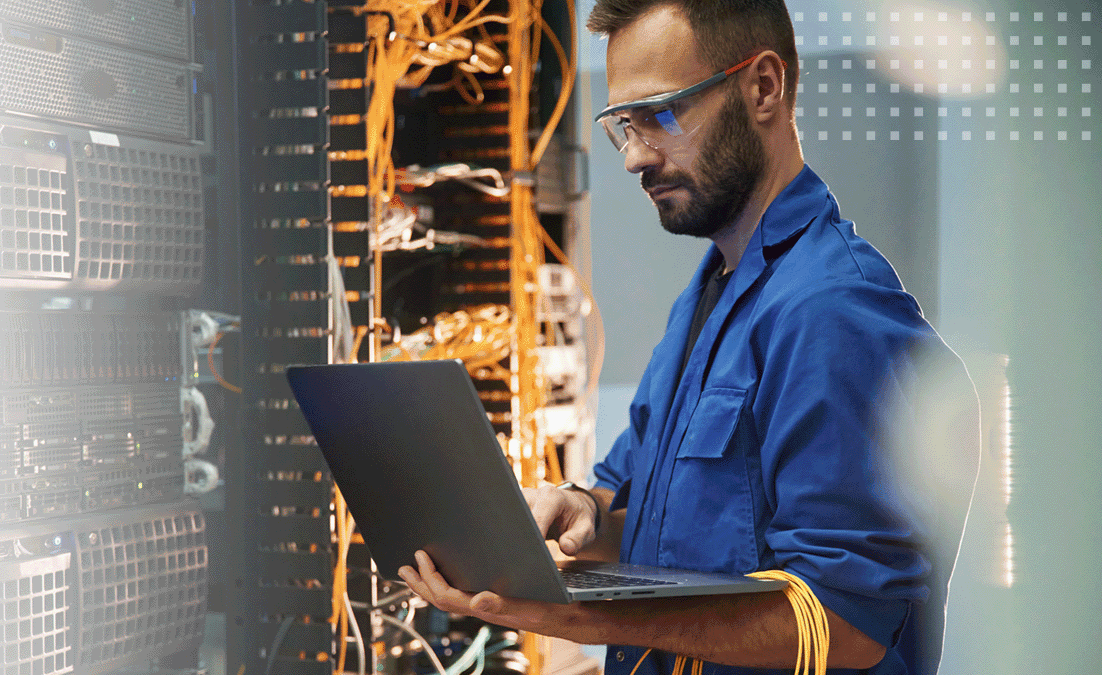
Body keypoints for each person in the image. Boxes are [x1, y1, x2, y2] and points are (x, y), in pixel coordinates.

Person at [400, 1, 979, 673]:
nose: (635, 156)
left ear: (763, 87)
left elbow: (844, 622)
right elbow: (649, 519)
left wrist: (559, 614)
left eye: (663, 114)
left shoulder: (830, 312)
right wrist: (580, 510)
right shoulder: (708, 298)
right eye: (623, 125)